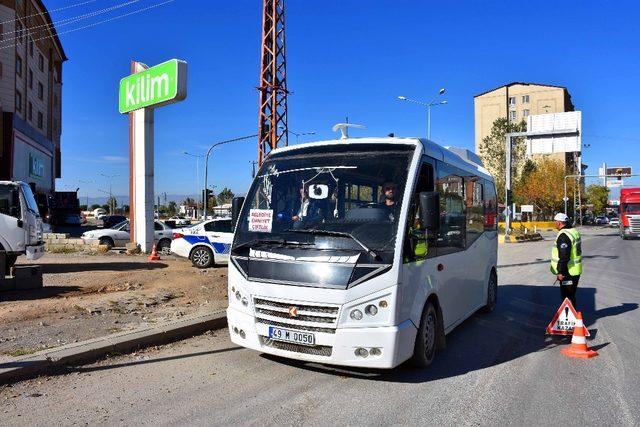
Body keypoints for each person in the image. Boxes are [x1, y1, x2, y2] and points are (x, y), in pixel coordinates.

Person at [550, 212, 582, 307]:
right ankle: (572, 318)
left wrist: (561, 272)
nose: (555, 223)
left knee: (567, 297)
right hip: (575, 270)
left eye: (555, 221)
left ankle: (570, 319)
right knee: (571, 296)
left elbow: (564, 256)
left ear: (559, 223)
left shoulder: (564, 236)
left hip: (568, 272)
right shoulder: (573, 231)